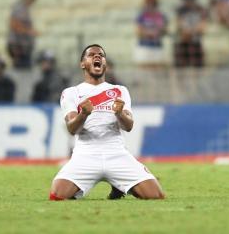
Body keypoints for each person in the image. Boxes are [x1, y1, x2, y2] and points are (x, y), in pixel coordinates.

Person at [49, 44, 165, 201]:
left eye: (101, 55)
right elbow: (72, 128)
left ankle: (118, 185)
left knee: (156, 196)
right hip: (86, 154)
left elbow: (128, 126)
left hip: (116, 153)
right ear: (82, 64)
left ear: (105, 64)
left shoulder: (120, 90)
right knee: (57, 196)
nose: (97, 57)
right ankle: (117, 185)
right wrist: (83, 114)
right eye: (91, 55)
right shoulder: (71, 92)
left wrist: (119, 114)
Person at [7, 0, 39, 69]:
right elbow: (13, 25)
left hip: (24, 45)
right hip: (18, 45)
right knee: (21, 69)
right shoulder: (19, 8)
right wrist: (29, 31)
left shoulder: (25, 8)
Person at [174, 0, 207, 67]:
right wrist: (187, 32)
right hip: (184, 40)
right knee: (181, 65)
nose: (188, 1)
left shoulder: (200, 10)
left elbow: (203, 24)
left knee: (197, 66)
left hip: (196, 40)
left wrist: (193, 31)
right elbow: (179, 24)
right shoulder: (180, 10)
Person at [134, 0, 168, 68]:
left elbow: (165, 30)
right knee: (144, 68)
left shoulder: (160, 16)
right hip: (144, 45)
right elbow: (138, 30)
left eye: (153, 3)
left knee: (157, 68)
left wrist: (158, 32)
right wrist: (148, 33)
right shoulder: (142, 15)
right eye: (149, 3)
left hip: (156, 45)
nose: (150, 5)